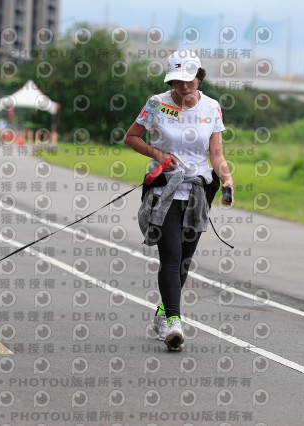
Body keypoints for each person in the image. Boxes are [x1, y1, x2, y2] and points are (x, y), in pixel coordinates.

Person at [124, 50, 234, 351]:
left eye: (189, 80)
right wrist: (156, 153)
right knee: (171, 256)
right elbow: (131, 137)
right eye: (176, 81)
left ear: (199, 77)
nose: (183, 87)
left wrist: (226, 179)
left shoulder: (212, 107)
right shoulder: (156, 103)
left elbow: (216, 153)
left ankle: (162, 313)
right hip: (163, 191)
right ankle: (174, 321)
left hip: (198, 191)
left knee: (184, 259)